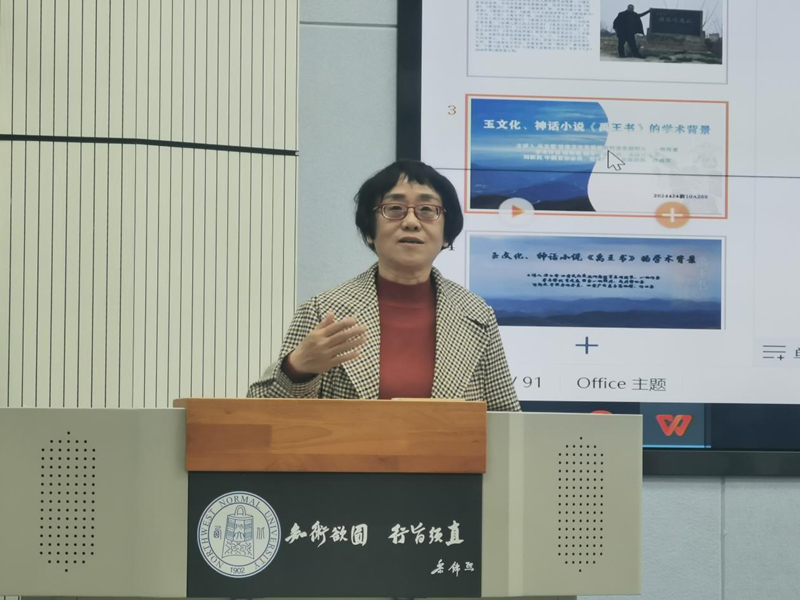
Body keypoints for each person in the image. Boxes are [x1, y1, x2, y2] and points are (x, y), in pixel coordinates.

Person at [247, 160, 520, 412]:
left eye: (427, 210)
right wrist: (296, 369)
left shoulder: (476, 314)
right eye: (394, 209)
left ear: (446, 234)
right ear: (370, 231)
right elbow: (262, 417)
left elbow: (508, 422)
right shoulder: (324, 310)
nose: (411, 222)